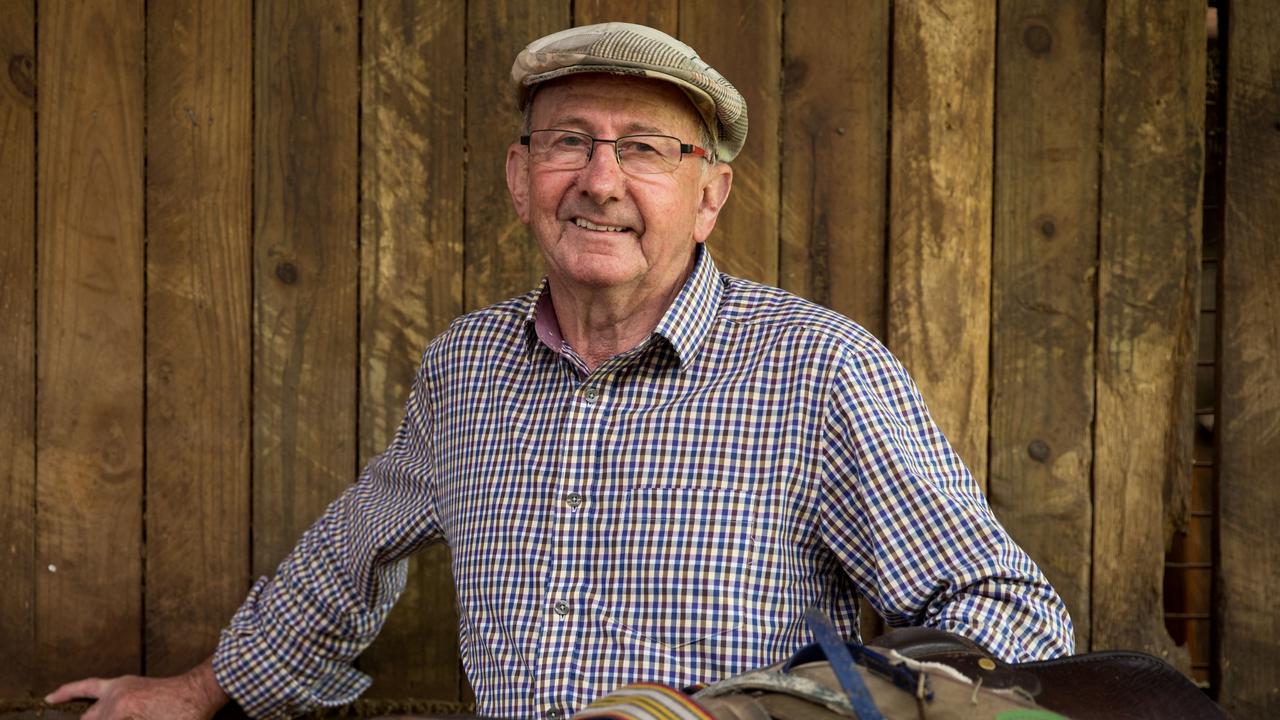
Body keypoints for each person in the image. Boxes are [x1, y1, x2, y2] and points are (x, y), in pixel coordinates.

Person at [46, 22, 1073, 720]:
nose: (598, 179)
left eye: (645, 150)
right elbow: (346, 557)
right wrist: (197, 691)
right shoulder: (465, 370)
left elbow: (1009, 619)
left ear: (708, 196)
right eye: (567, 142)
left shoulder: (818, 370)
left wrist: (749, 714)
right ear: (518, 176)